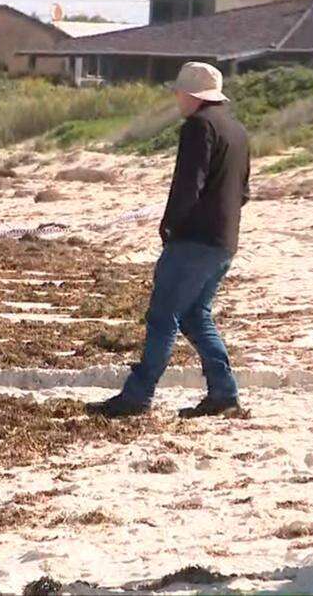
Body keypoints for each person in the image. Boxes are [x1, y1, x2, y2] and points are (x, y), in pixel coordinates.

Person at [87, 61, 249, 419]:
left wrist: (170, 227)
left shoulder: (198, 126)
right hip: (224, 242)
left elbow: (188, 185)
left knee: (163, 317)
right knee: (195, 316)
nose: (177, 98)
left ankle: (137, 397)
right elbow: (244, 192)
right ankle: (224, 393)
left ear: (191, 95)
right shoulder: (237, 130)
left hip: (194, 241)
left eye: (179, 92)